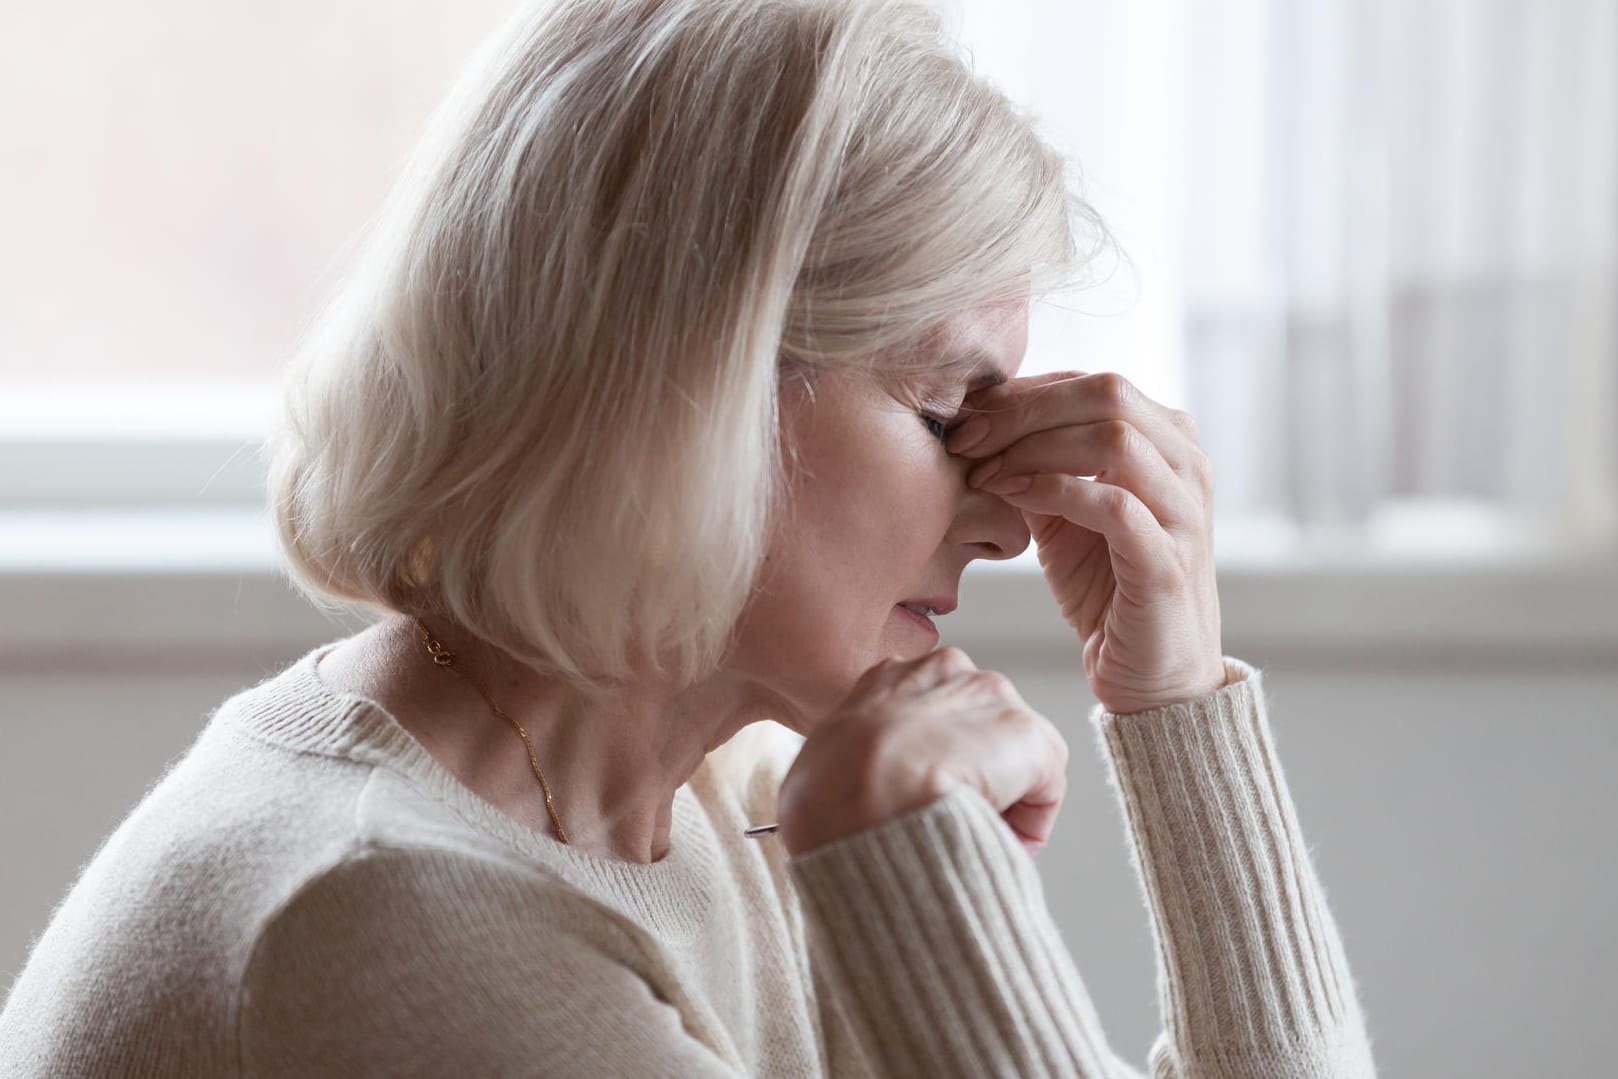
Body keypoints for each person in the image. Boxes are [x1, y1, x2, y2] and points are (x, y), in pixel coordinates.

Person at [0, 0, 1379, 1075]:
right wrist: (914, 888)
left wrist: (1176, 701)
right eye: (951, 404)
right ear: (695, 397)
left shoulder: (727, 791)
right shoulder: (382, 919)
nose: (1009, 515)